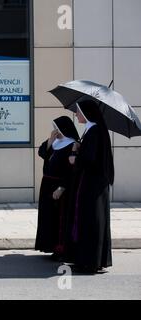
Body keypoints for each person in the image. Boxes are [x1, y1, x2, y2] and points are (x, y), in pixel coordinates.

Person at [66, 100, 114, 273]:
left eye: (78, 111)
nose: (77, 114)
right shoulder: (94, 130)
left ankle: (90, 261)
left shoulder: (94, 131)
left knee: (91, 220)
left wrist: (75, 158)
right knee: (90, 219)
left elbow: (90, 159)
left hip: (93, 184)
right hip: (94, 182)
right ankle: (88, 259)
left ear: (86, 113)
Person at [35, 116, 79, 260]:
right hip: (47, 184)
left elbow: (71, 171)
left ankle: (61, 249)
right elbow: (42, 153)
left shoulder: (72, 145)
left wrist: (61, 187)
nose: (56, 131)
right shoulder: (55, 142)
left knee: (60, 218)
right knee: (48, 217)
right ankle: (50, 246)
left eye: (57, 128)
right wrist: (50, 141)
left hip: (60, 186)